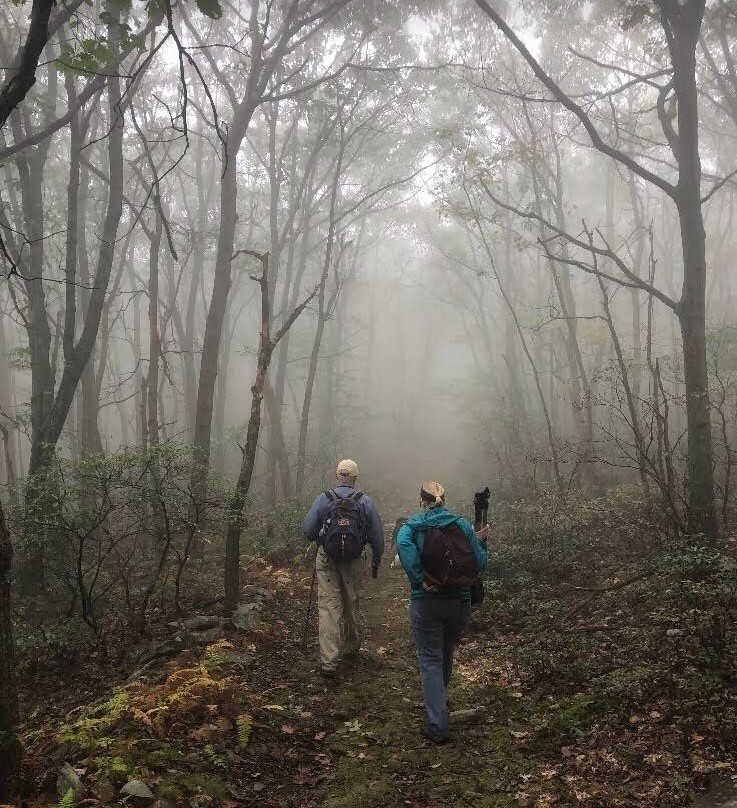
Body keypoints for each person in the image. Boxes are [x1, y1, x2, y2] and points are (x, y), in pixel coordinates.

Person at [396, 481, 489, 743]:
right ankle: (437, 702)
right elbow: (481, 562)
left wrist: (417, 578)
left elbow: (403, 545)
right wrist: (482, 543)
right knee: (445, 651)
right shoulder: (460, 524)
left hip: (427, 600)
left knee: (429, 658)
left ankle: (437, 724)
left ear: (422, 500)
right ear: (443, 500)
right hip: (459, 602)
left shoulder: (413, 525)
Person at [303, 459, 384, 678]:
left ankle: (329, 662)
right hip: (354, 560)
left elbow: (308, 530)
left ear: (337, 475)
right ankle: (350, 647)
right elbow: (377, 535)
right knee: (351, 602)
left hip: (327, 559)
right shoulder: (364, 501)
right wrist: (376, 559)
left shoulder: (324, 499)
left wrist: (322, 537)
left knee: (329, 608)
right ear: (355, 478)